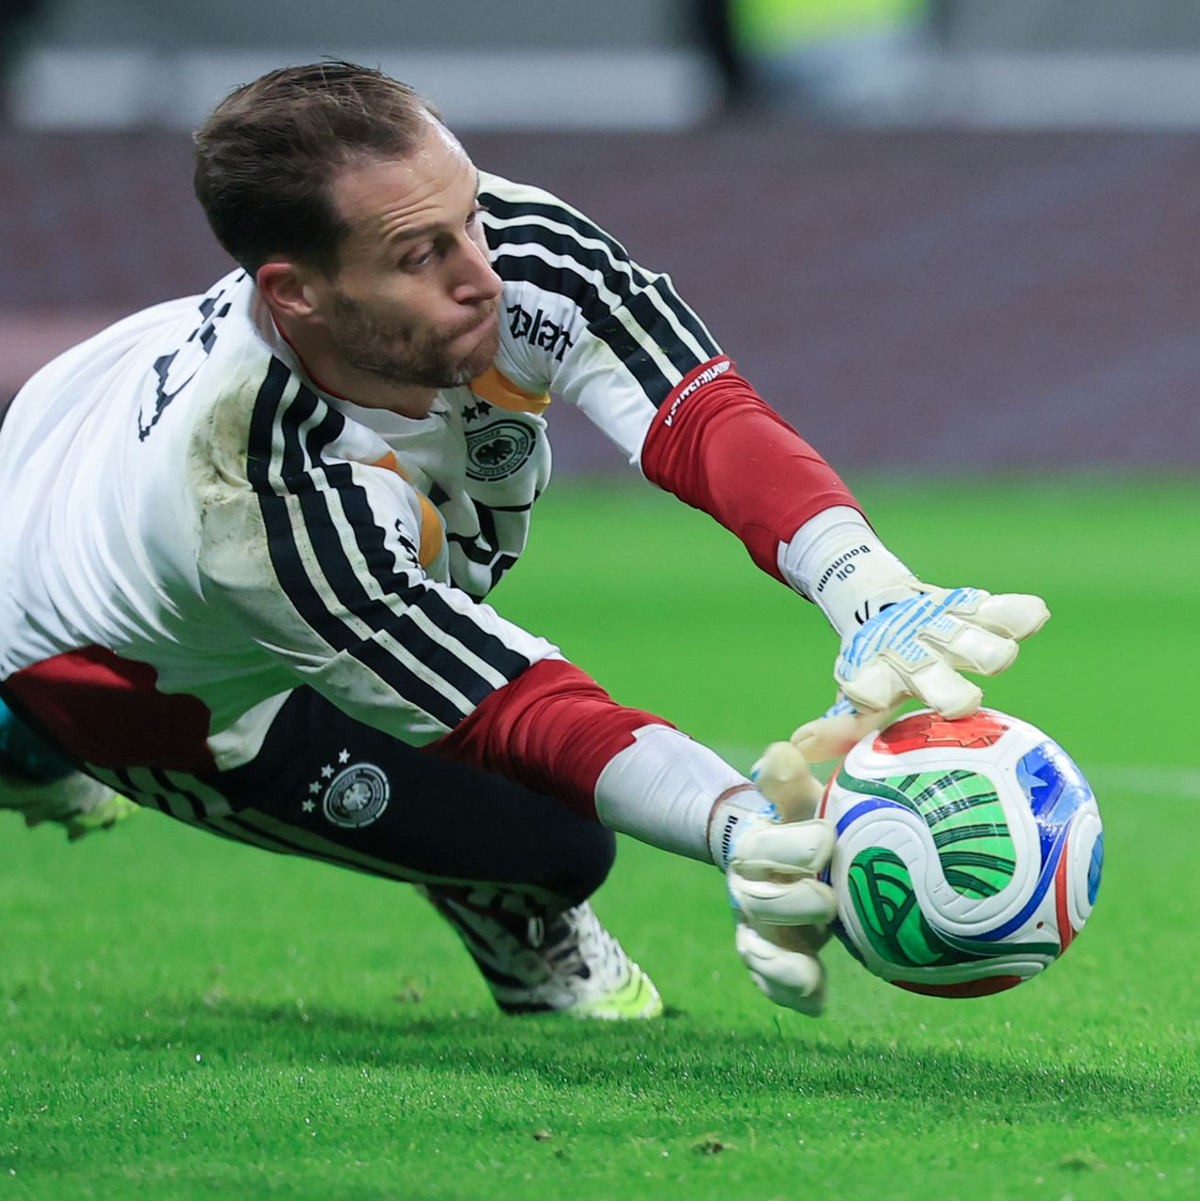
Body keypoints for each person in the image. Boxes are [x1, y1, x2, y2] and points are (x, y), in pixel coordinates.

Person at [0, 61, 1048, 1020]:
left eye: (468, 216)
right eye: (421, 255)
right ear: (296, 292)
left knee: (429, 577)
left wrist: (866, 582)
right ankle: (27, 738)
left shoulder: (503, 237)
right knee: (551, 841)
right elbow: (503, 704)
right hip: (96, 654)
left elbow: (695, 409)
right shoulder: (248, 492)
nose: (484, 273)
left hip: (97, 408)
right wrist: (739, 827)